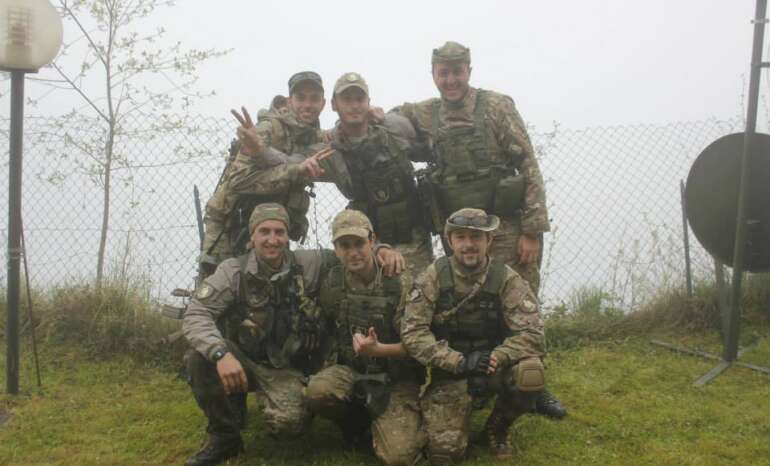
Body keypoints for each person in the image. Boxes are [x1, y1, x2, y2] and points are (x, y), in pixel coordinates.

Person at [392, 41, 566, 419]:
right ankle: (475, 373)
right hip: (460, 234)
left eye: (457, 71)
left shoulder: (497, 107)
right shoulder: (424, 112)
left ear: (469, 71)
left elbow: (528, 165)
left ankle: (532, 383)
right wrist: (373, 114)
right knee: (470, 302)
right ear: (434, 74)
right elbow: (391, 118)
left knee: (520, 301)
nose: (451, 79)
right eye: (443, 72)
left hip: (504, 227)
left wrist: (533, 230)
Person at [182, 203, 404, 466]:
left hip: (294, 369)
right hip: (251, 362)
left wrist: (383, 249)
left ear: (288, 236)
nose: (272, 239)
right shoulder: (233, 271)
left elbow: (351, 251)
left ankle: (346, 420)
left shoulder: (308, 263)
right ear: (252, 236)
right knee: (199, 357)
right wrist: (220, 354)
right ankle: (224, 436)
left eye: (279, 232)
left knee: (288, 426)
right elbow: (196, 313)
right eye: (264, 231)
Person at [401, 208, 546, 462]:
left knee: (531, 372)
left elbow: (533, 333)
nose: (469, 245)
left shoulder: (505, 278)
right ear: (450, 241)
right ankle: (454, 414)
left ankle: (498, 428)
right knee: (445, 453)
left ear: (489, 240)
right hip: (451, 374)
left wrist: (498, 356)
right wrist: (455, 360)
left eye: (476, 237)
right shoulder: (434, 277)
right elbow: (413, 333)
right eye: (461, 237)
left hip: (493, 368)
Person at [303, 209, 426, 465]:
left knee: (398, 457)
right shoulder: (333, 281)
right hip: (352, 370)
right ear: (335, 249)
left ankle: (405, 419)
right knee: (317, 391)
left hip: (395, 378)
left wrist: (380, 350)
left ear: (373, 241)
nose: (353, 252)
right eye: (344, 245)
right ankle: (355, 424)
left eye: (359, 243)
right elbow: (325, 324)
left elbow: (419, 344)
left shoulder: (399, 282)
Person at [199, 71, 329, 274]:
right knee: (220, 288)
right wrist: (294, 171)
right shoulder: (268, 127)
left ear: (323, 104)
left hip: (273, 230)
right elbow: (238, 180)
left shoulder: (313, 137)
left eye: (314, 98)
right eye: (301, 97)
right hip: (232, 222)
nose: (307, 104)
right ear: (289, 101)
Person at [321, 72, 434, 273]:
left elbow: (428, 129)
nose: (354, 105)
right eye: (346, 99)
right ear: (333, 104)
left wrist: (386, 120)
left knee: (419, 294)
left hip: (414, 239)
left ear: (369, 102)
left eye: (359, 99)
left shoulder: (392, 129)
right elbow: (291, 159)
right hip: (368, 246)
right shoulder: (331, 150)